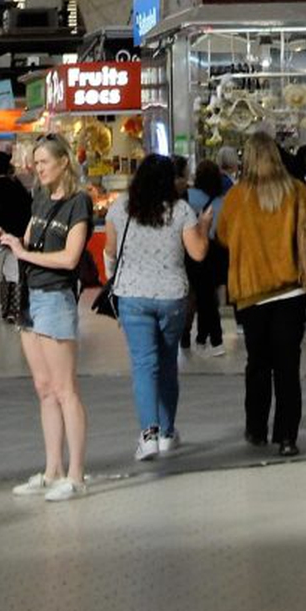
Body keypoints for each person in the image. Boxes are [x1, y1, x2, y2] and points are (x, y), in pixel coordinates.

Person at [0, 131, 95, 499]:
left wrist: (24, 254)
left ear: (63, 161)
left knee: (66, 389)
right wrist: (9, 240)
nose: (37, 169)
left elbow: (69, 258)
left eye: (43, 162)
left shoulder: (79, 203)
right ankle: (52, 469)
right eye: (35, 163)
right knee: (44, 389)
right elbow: (28, 240)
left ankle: (76, 474)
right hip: (30, 297)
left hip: (55, 297)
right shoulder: (38, 198)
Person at [216, 133, 306, 456]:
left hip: (251, 293)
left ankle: (256, 428)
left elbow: (223, 236)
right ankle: (287, 436)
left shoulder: (237, 197)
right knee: (288, 365)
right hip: (290, 290)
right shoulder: (296, 191)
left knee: (258, 363)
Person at [102, 151, 210, 458]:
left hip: (132, 296)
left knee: (143, 366)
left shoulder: (120, 209)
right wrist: (204, 226)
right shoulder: (182, 211)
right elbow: (199, 253)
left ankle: (147, 434)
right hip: (171, 296)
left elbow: (110, 251)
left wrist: (116, 279)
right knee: (166, 364)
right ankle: (167, 432)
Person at [0, 149, 33, 326]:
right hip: (16, 238)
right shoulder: (19, 189)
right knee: (13, 274)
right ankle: (13, 310)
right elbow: (28, 212)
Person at [186, 159, 229, 349]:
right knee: (208, 294)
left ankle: (195, 335)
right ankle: (207, 336)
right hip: (215, 251)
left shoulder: (188, 196)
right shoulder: (222, 201)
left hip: (192, 248)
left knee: (195, 294)